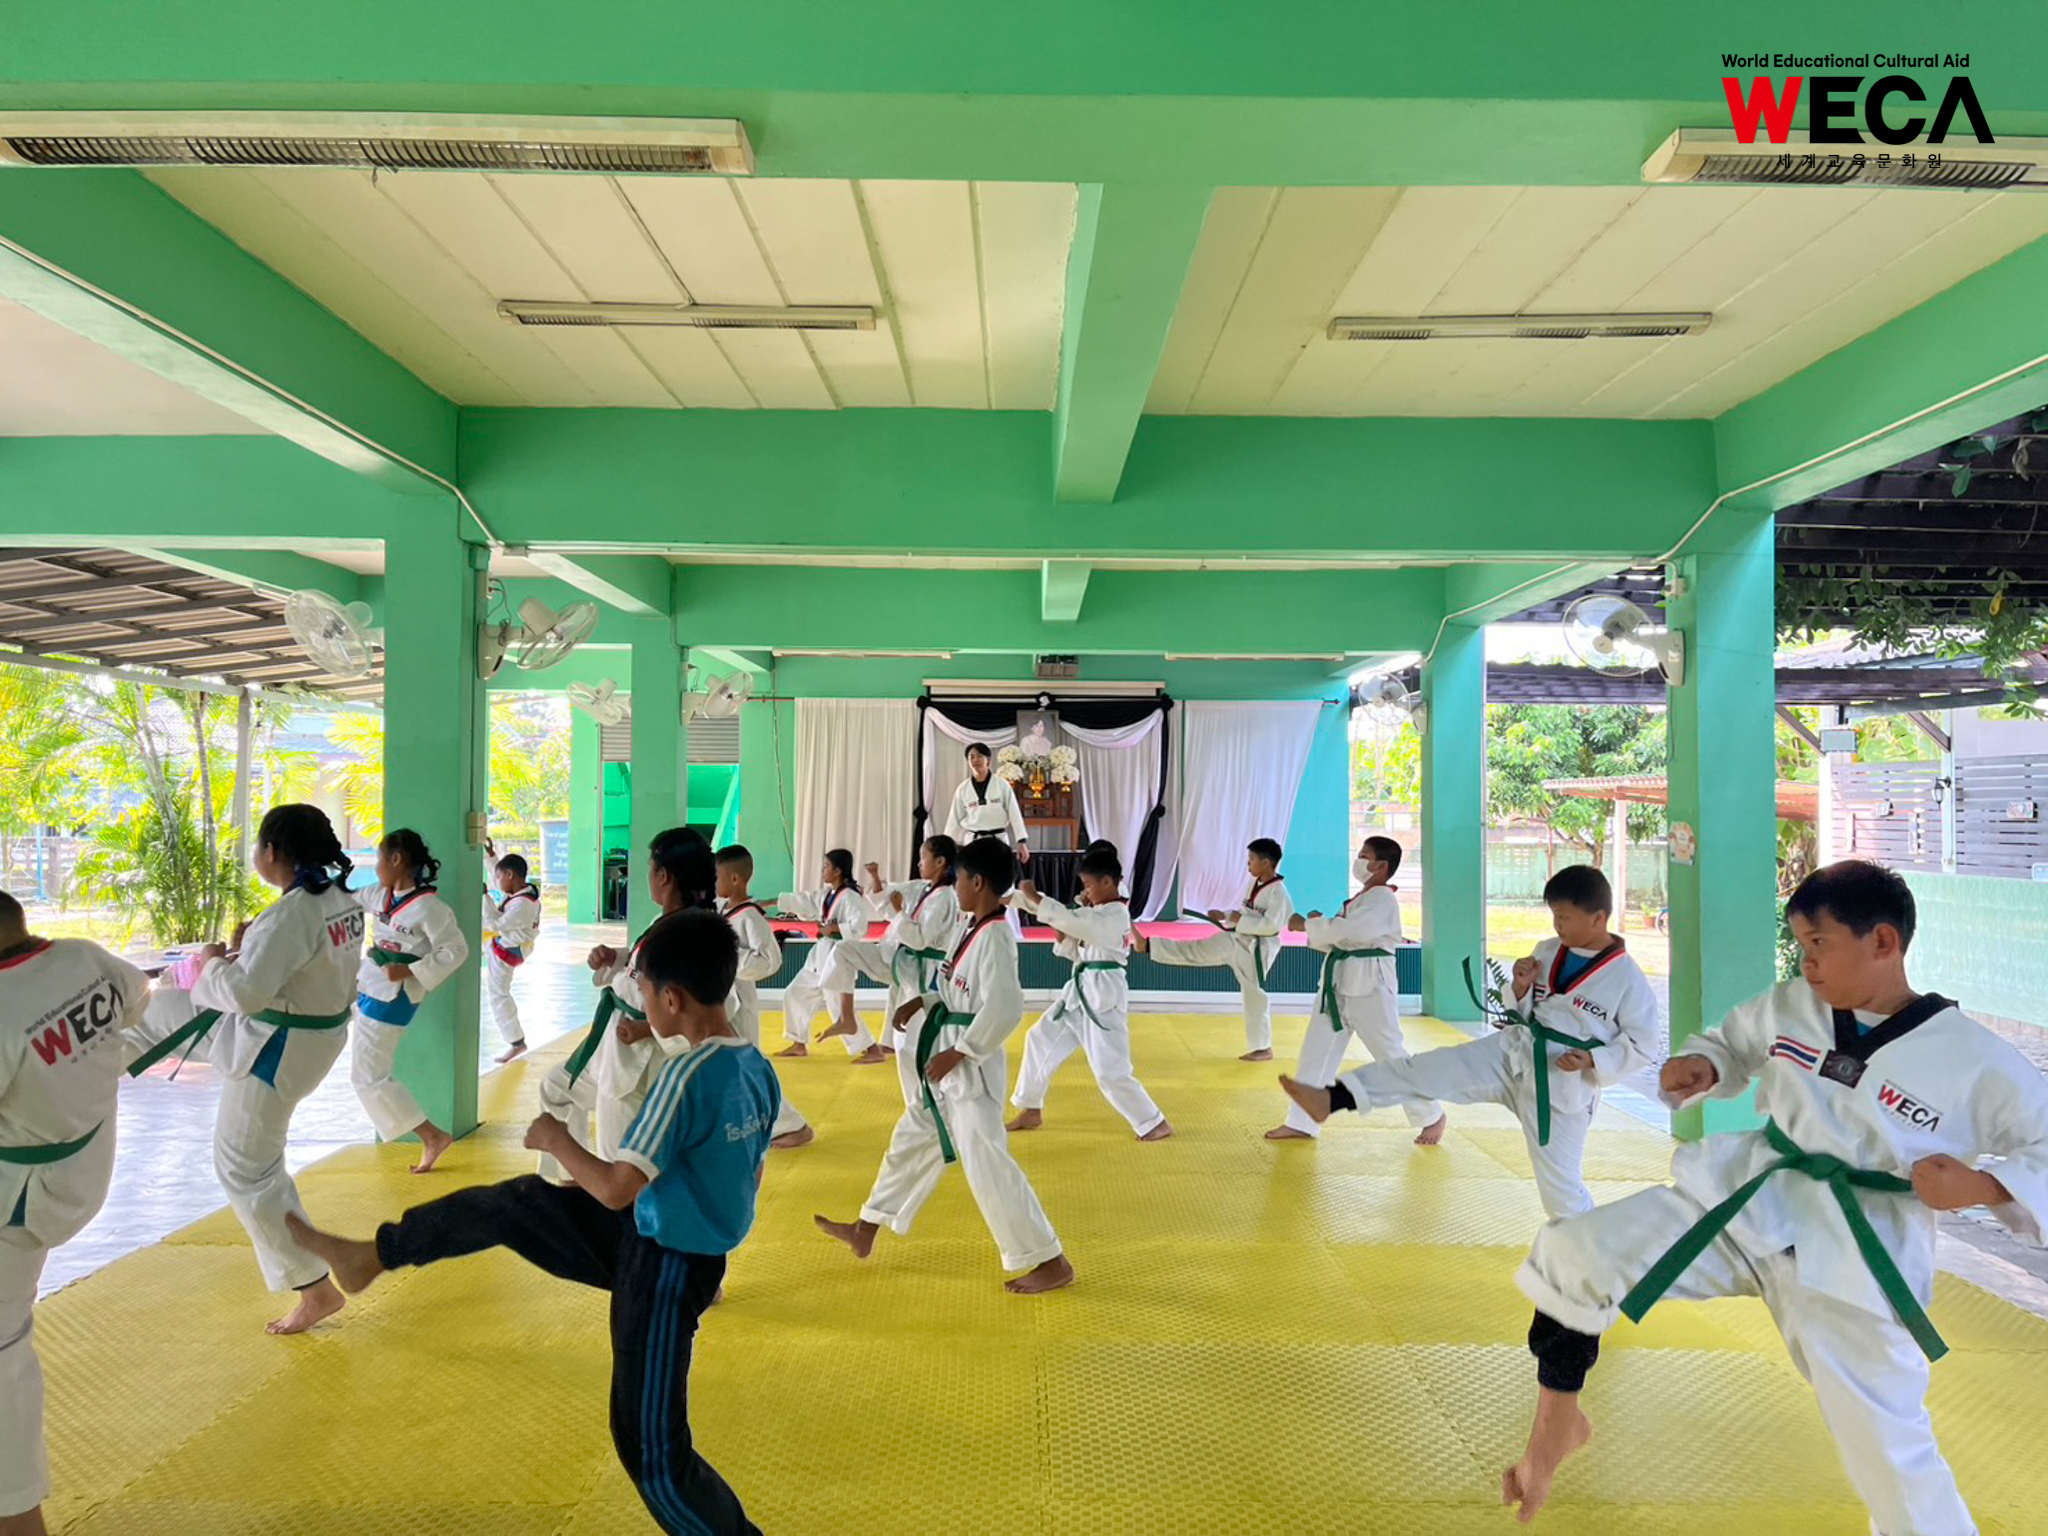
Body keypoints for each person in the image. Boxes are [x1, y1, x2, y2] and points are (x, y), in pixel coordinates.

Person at [1488, 861, 2048, 1530]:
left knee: (1890, 1454)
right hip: (1748, 1198)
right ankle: (1558, 1425)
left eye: (1820, 944)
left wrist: (1983, 1185)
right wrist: (1706, 1065)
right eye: (1800, 944)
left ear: (1883, 942)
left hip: (1857, 1250)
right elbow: (1732, 1044)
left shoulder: (1973, 1057)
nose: (1807, 962)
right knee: (1574, 1253)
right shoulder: (1791, 1005)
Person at [288, 909, 777, 1535]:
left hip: (665, 1269)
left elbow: (616, 1187)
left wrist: (557, 1140)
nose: (644, 1003)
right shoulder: (754, 1068)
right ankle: (376, 1254)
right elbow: (744, 1174)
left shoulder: (685, 1076)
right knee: (517, 1204)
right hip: (659, 1235)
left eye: (645, 990)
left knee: (652, 1455)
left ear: (672, 999)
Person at [1281, 865, 1657, 1220]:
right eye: (1554, 916)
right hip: (1514, 1052)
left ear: (1598, 918)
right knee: (1424, 1071)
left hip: (1561, 1085)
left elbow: (1643, 1046)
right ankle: (1332, 1099)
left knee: (1561, 1193)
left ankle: (1601, 1254)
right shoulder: (1547, 949)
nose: (1557, 925)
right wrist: (1520, 987)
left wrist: (1593, 1060)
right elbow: (1526, 1008)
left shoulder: (1627, 979)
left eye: (1565, 917)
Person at [123, 804, 363, 1334]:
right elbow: (291, 969)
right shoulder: (339, 902)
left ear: (271, 851)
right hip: (295, 1037)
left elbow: (248, 994)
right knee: (153, 1013)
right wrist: (246, 949)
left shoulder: (292, 915)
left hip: (274, 1048)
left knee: (246, 1170)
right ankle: (75, 1078)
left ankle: (314, 1287)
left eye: (258, 846)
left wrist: (213, 961)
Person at [814, 837, 1074, 1294]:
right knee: (912, 1135)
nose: (956, 887)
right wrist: (924, 1001)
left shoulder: (996, 937)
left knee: (988, 1164)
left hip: (971, 1068)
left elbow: (1005, 1007)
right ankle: (867, 1226)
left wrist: (961, 1051)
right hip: (949, 1057)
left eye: (961, 880)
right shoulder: (972, 927)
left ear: (978, 882)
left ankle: (1050, 1260)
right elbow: (956, 989)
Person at [1, 889, 149, 1536]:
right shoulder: (83, 956)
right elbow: (137, 998)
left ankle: (18, 1516)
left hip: (21, 1198)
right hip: (84, 1164)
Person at [538, 829, 715, 1185]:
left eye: (649, 869)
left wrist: (644, 1030)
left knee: (618, 1158)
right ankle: (571, 1183)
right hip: (613, 1046)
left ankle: (615, 1207)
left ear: (663, 876)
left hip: (638, 1062)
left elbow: (709, 1009)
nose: (647, 877)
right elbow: (642, 966)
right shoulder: (665, 922)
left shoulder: (693, 933)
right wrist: (615, 958)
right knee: (555, 1088)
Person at [1268, 835, 1443, 1145]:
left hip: (1371, 986)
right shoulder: (1362, 899)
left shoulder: (1382, 899)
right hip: (1338, 984)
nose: (1358, 861)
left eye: (1364, 856)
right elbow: (1343, 937)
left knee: (1389, 1054)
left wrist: (1307, 925)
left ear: (1381, 866)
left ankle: (1431, 1114)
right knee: (1315, 1053)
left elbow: (1351, 931)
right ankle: (1302, 1121)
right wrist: (1318, 925)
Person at [1007, 843, 1172, 1141]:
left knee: (1110, 1069)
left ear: (1107, 882)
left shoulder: (1116, 915)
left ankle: (1153, 1121)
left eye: (1088, 885)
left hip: (1103, 995)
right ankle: (1031, 1107)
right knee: (1039, 1038)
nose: (1085, 891)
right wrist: (1018, 899)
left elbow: (1071, 920)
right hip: (1080, 991)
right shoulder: (1096, 911)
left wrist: (1035, 898)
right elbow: (1070, 933)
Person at [348, 828, 466, 1173]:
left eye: (380, 858)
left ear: (396, 860)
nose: (377, 866)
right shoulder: (378, 895)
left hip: (394, 996)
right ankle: (431, 1136)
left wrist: (411, 969)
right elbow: (346, 901)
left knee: (368, 1076)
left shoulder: (430, 908)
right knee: (366, 1073)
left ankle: (432, 1136)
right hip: (369, 983)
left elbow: (456, 950)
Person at [1134, 837, 1293, 1061]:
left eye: (1251, 859)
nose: (1248, 864)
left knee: (1253, 994)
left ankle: (1263, 1048)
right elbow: (1244, 913)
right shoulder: (1255, 883)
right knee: (1195, 950)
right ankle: (1150, 945)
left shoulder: (1279, 893)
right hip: (1237, 939)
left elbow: (1272, 925)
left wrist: (1238, 919)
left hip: (1256, 949)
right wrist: (1225, 915)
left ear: (1266, 862)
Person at [714, 844, 813, 1149]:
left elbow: (770, 960)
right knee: (733, 1067)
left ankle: (793, 1125)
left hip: (740, 1002)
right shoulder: (724, 910)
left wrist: (729, 957)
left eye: (717, 876)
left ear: (734, 879)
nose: (714, 882)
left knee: (746, 1067)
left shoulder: (750, 918)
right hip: (722, 999)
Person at [844, 838, 961, 1064]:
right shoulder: (922, 888)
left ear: (940, 862)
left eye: (923, 857)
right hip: (907, 959)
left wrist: (899, 911)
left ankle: (926, 1050)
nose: (919, 862)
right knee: (896, 994)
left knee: (915, 1016)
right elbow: (891, 893)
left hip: (925, 965)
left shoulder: (944, 898)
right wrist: (876, 879)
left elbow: (919, 939)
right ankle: (887, 1042)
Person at [774, 849, 883, 1065]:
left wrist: (834, 928)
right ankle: (798, 1043)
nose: (823, 870)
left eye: (826, 866)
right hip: (820, 958)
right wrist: (770, 902)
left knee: (840, 1010)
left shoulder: (850, 897)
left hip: (838, 959)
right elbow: (805, 901)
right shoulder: (828, 895)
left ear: (838, 870)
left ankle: (873, 1049)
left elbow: (859, 927)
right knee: (795, 994)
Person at [481, 851, 541, 1064]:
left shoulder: (523, 905)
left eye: (499, 877)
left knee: (498, 994)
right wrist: (490, 857)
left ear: (510, 875)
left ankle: (516, 1042)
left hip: (507, 951)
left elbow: (493, 924)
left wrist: (484, 897)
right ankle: (516, 1041)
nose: (496, 882)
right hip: (505, 944)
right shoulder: (520, 894)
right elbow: (498, 877)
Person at [944, 743, 1031, 867]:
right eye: (971, 757)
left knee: (999, 875)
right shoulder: (962, 789)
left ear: (988, 760)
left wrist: (1021, 841)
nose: (975, 760)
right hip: (973, 841)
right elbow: (954, 819)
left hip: (998, 840)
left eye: (979, 756)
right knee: (974, 874)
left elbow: (1014, 813)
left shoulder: (1002, 785)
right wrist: (947, 848)